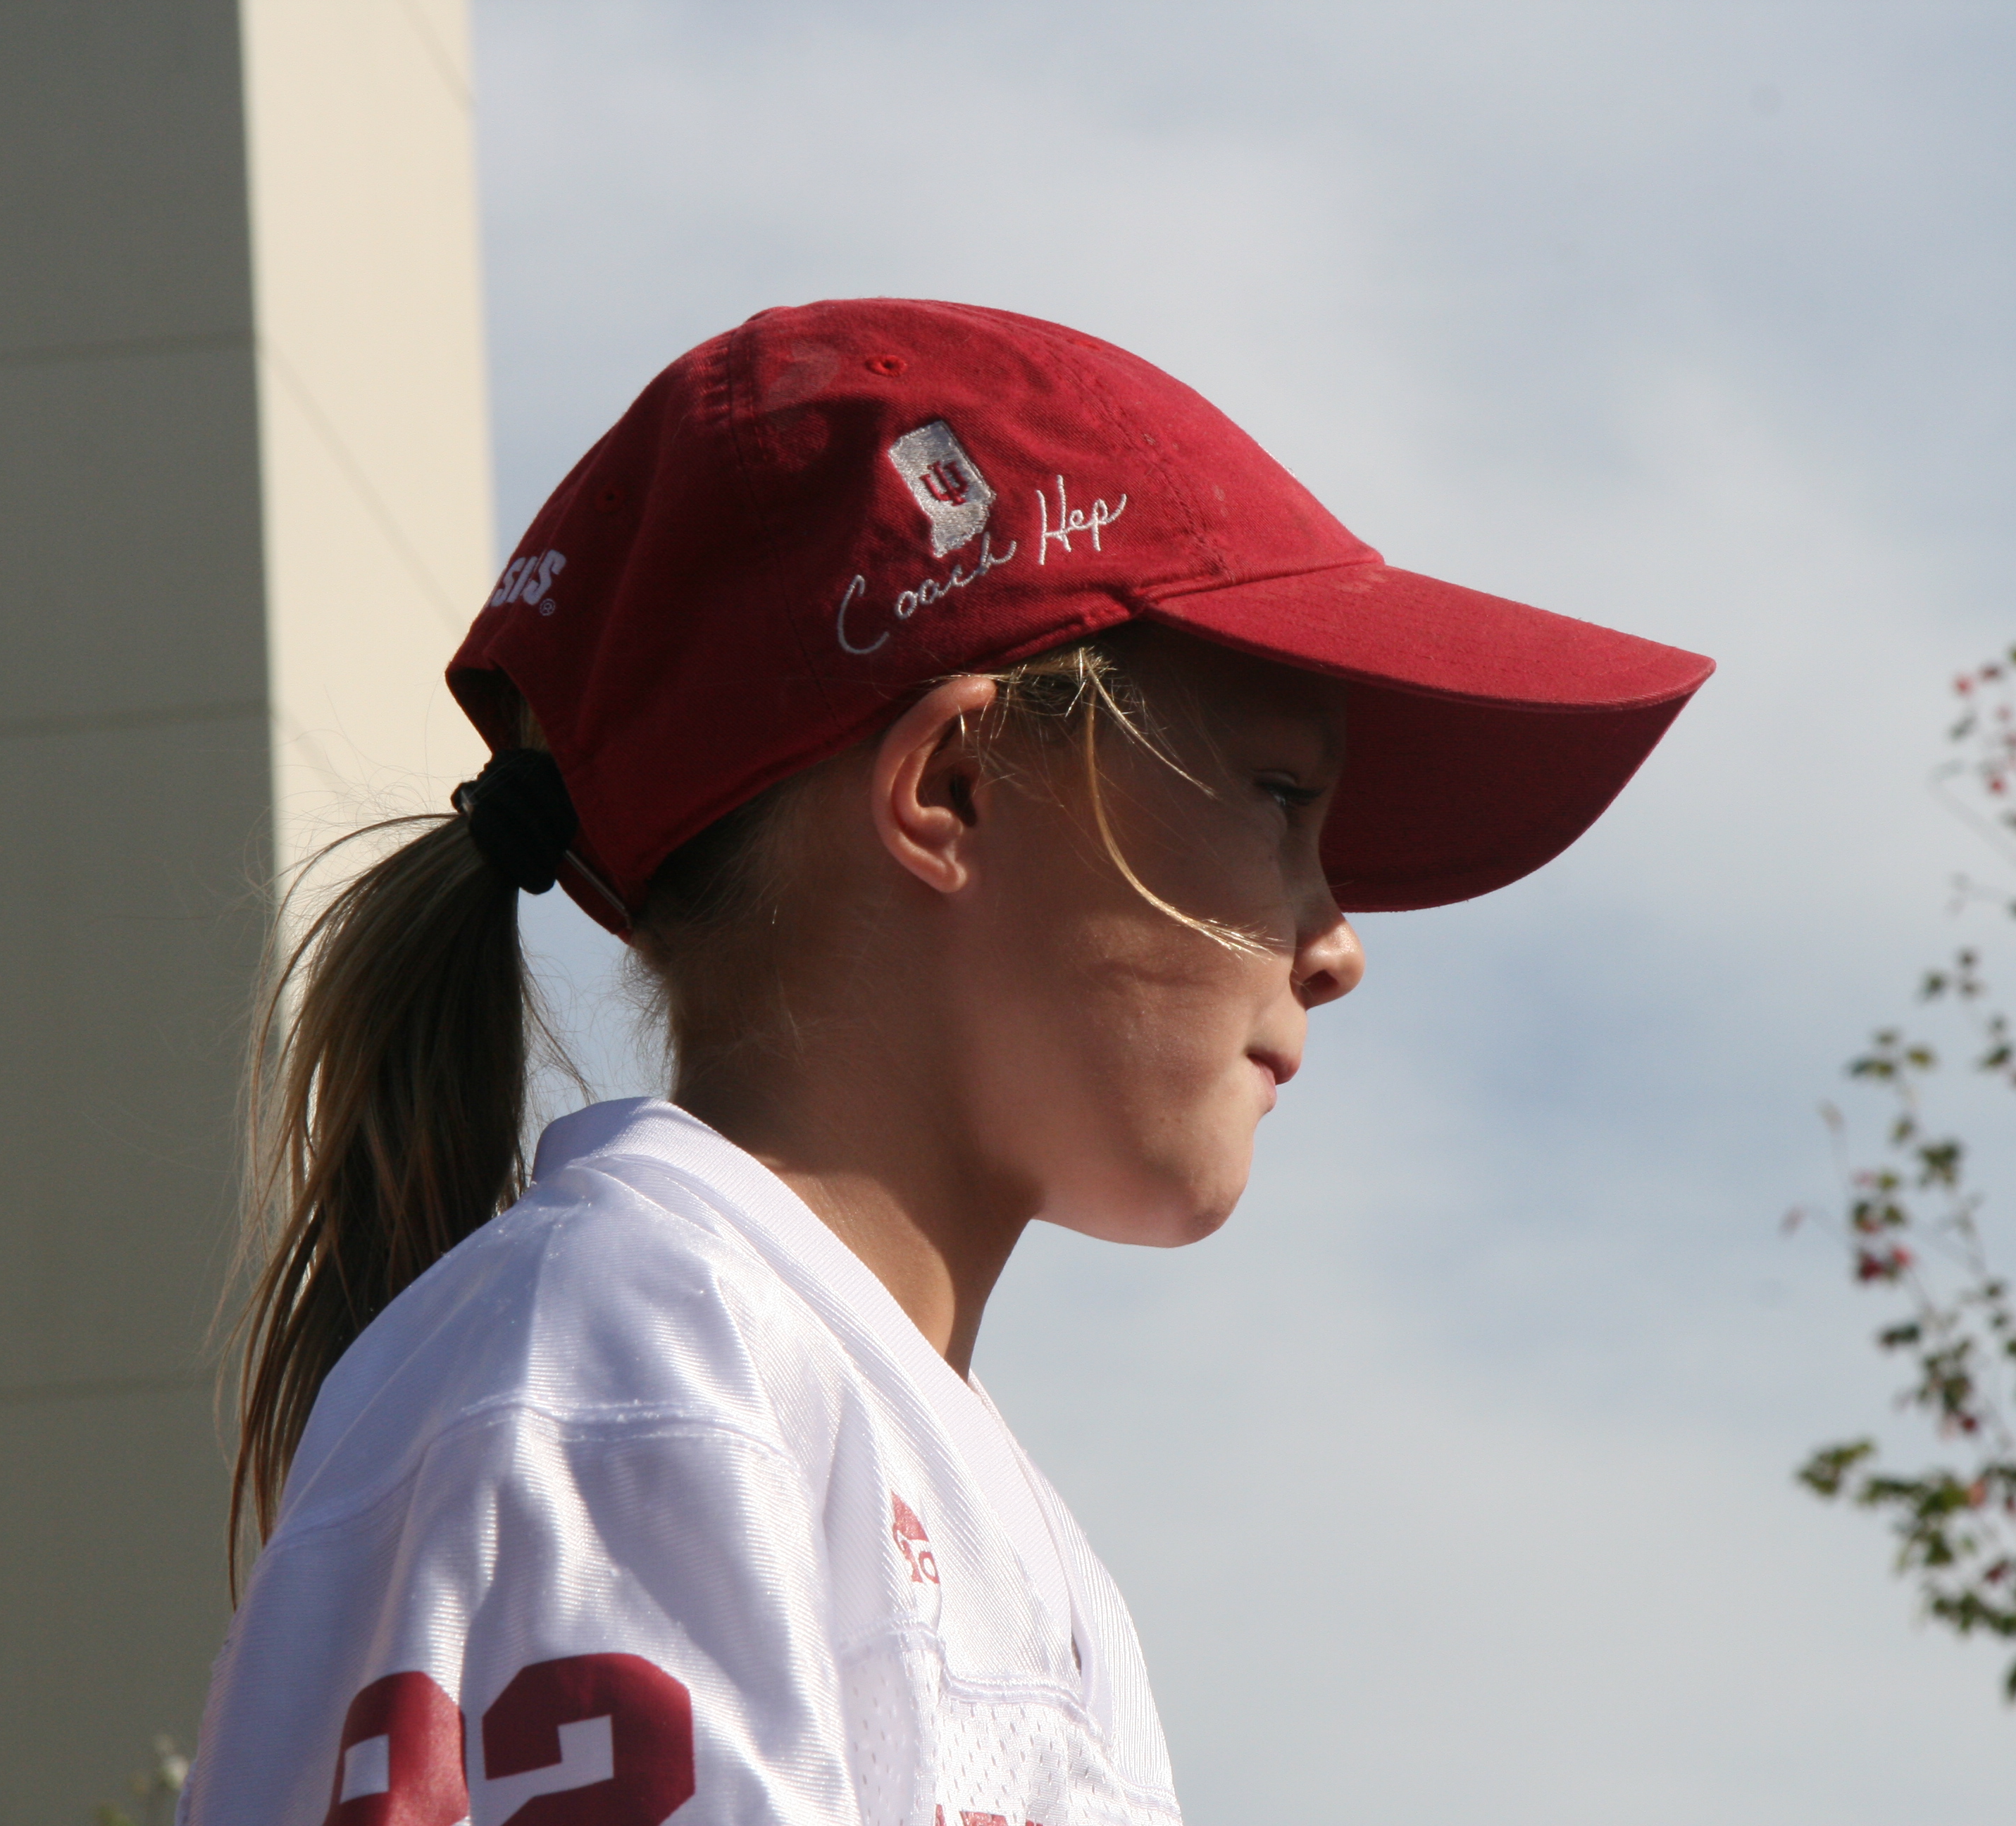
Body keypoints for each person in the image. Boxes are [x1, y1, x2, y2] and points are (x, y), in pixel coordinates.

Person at [182, 298, 1711, 1826]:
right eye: (1277, 794)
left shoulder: (859, 1428)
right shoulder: (648, 1354)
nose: (1335, 945)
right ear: (956, 787)